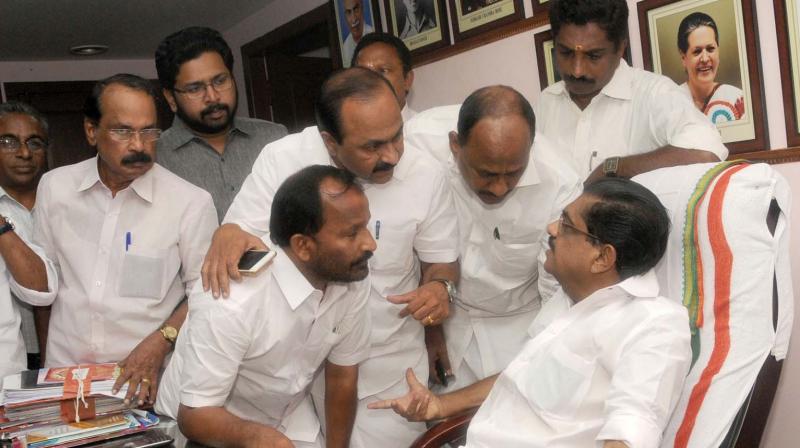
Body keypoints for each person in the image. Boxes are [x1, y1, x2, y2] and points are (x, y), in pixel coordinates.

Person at [203, 67, 459, 447]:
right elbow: (237, 241)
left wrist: (440, 286)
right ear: (330, 142)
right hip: (289, 374)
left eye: (397, 136)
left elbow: (441, 260)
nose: (392, 155)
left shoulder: (425, 173)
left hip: (385, 363)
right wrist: (227, 232)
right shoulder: (281, 160)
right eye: (372, 146)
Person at [370, 178, 692, 448]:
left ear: (602, 258)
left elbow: (631, 430)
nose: (552, 228)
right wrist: (440, 405)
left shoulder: (653, 325)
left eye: (566, 224)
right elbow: (524, 373)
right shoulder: (570, 300)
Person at [16, 74, 218, 407]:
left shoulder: (190, 203)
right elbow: (45, 285)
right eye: (123, 131)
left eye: (149, 131)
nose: (139, 145)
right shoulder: (56, 188)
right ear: (91, 131)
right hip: (67, 380)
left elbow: (206, 293)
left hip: (147, 382)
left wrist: (162, 340)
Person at [156, 165, 374, 448]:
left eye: (366, 226)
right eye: (352, 233)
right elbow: (195, 414)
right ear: (303, 247)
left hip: (283, 416)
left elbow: (342, 377)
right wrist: (258, 437)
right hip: (203, 429)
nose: (371, 244)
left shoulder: (350, 276)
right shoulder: (233, 300)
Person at [403, 86, 581, 392]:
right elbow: (407, 243)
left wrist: (545, 357)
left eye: (514, 173)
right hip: (444, 321)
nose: (499, 189)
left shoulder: (561, 184)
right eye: (485, 174)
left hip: (519, 326)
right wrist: (429, 329)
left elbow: (557, 290)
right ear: (455, 145)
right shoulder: (416, 146)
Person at [536, 0, 728, 183]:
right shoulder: (547, 102)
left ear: (620, 48)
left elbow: (707, 152)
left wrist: (614, 167)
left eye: (593, 56)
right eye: (566, 52)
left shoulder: (654, 93)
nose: (576, 70)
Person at [155, 26, 287, 222]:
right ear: (171, 98)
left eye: (220, 80)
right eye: (195, 88)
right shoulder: (156, 157)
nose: (213, 96)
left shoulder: (274, 137)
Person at [0, 102, 57, 385]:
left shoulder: (65, 203)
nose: (24, 153)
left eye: (34, 143)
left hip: (63, 353)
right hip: (9, 356)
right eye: (8, 142)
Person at [677, 12, 745, 124]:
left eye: (710, 49)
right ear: (684, 57)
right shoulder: (671, 103)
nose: (705, 58)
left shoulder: (737, 99)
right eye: (697, 51)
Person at [352, 33, 417, 121]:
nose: (371, 80)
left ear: (407, 80)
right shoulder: (347, 133)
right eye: (363, 73)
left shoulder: (427, 131)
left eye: (382, 71)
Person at [342, 0, 374, 66]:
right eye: (348, 12)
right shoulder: (345, 48)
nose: (353, 19)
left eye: (356, 10)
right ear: (345, 16)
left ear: (362, 9)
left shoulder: (373, 35)